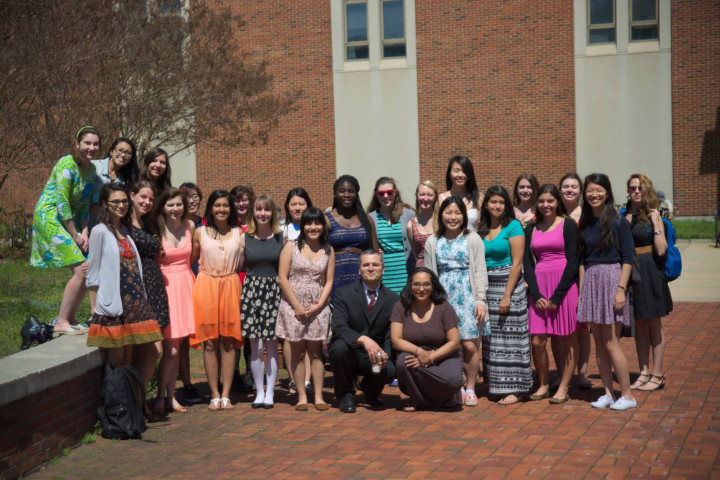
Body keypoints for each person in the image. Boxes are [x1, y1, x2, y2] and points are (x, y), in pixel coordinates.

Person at [30, 126, 100, 336]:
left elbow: (85, 205)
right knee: (81, 270)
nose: (92, 147)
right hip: (50, 216)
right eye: (87, 143)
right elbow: (62, 202)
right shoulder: (66, 163)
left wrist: (85, 232)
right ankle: (61, 321)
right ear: (77, 144)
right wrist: (75, 235)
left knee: (86, 269)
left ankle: (70, 318)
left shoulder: (91, 171)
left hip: (71, 222)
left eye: (96, 144)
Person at [86, 184, 163, 366]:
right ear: (105, 204)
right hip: (114, 303)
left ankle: (129, 394)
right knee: (117, 357)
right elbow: (93, 273)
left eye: (124, 201)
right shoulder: (99, 231)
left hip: (134, 303)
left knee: (132, 357)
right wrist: (94, 307)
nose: (121, 205)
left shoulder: (126, 230)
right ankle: (115, 393)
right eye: (115, 202)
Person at [578, 173, 636, 410]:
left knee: (612, 342)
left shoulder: (618, 221)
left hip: (612, 279)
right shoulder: (586, 221)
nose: (594, 194)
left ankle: (628, 395)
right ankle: (608, 393)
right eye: (590, 190)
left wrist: (621, 289)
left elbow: (628, 258)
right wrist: (583, 292)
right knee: (600, 342)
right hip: (592, 280)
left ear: (608, 193)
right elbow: (582, 259)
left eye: (599, 190)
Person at [424, 196, 487, 407]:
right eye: (448, 213)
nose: (453, 217)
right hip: (444, 299)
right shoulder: (433, 241)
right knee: (449, 345)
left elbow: (479, 270)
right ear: (441, 215)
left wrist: (481, 299)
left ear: (464, 215)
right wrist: (430, 302)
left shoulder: (473, 238)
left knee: (469, 345)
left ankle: (470, 387)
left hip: (468, 296)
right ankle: (455, 386)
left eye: (457, 212)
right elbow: (429, 275)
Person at [523, 184, 580, 404]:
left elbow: (573, 261)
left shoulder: (568, 225)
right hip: (539, 286)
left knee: (567, 338)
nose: (546, 205)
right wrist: (535, 293)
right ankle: (544, 383)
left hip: (563, 287)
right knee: (537, 341)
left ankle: (564, 386)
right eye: (542, 201)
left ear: (558, 202)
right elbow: (528, 263)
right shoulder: (531, 228)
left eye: (550, 201)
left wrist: (557, 297)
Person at [190, 190, 244, 411]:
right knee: (210, 341)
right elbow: (191, 261)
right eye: (217, 205)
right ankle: (214, 393)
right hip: (206, 285)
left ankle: (226, 394)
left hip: (230, 285)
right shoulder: (200, 231)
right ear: (210, 208)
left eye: (225, 205)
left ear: (231, 208)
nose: (222, 209)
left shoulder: (239, 232)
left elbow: (242, 262)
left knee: (229, 341)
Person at [276, 207, 335, 411]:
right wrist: (297, 306)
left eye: (317, 223)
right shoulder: (291, 247)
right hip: (293, 305)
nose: (313, 227)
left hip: (317, 306)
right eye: (309, 223)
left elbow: (329, 281)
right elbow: (282, 277)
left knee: (317, 352)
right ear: (303, 226)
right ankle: (301, 396)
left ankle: (318, 396)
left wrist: (320, 304)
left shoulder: (328, 249)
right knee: (298, 352)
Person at [478, 185, 532, 405]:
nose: (497, 206)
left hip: (509, 287)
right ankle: (497, 384)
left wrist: (507, 295)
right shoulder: (480, 228)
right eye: (493, 202)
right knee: (492, 339)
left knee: (511, 340)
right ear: (486, 205)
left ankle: (516, 389)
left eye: (501, 202)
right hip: (487, 287)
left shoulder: (513, 226)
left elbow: (517, 263)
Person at [329, 249, 399, 413]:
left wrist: (386, 353)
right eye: (366, 265)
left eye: (375, 264)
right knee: (338, 349)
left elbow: (391, 332)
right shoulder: (344, 293)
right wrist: (363, 340)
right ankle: (346, 395)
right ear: (359, 270)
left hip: (374, 357)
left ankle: (369, 389)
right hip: (350, 351)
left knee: (388, 369)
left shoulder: (393, 299)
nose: (371, 268)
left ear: (383, 269)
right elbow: (338, 327)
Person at [624, 174, 672, 392]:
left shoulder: (654, 214)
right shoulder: (624, 215)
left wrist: (656, 224)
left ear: (647, 190)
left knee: (653, 324)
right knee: (639, 324)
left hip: (651, 270)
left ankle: (658, 373)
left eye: (640, 188)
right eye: (632, 188)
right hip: (632, 271)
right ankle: (643, 371)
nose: (636, 191)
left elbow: (661, 249)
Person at [390, 268, 463, 411]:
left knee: (453, 380)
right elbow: (396, 340)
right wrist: (418, 351)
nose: (421, 289)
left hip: (443, 355)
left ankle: (447, 394)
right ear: (410, 286)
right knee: (403, 363)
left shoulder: (444, 307)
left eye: (426, 284)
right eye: (416, 284)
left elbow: (454, 342)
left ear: (433, 286)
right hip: (414, 354)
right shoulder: (401, 306)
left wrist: (431, 357)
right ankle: (416, 398)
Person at [153, 188, 196, 414]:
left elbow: (195, 256)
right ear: (162, 206)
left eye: (179, 204)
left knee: (176, 345)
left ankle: (170, 396)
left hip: (186, 284)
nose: (175, 209)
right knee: (169, 347)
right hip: (165, 287)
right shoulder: (156, 228)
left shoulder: (190, 226)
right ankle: (161, 395)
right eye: (170, 204)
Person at [240, 194, 285, 408]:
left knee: (272, 345)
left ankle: (271, 392)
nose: (262, 214)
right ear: (253, 213)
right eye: (258, 210)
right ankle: (259, 391)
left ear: (272, 213)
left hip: (273, 291)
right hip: (251, 292)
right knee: (255, 344)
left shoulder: (281, 237)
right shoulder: (245, 237)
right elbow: (237, 264)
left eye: (267, 210)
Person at [128, 181, 167, 416]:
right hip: (137, 290)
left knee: (151, 351)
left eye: (151, 199)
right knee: (151, 350)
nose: (147, 202)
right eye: (143, 197)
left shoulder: (147, 224)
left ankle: (139, 402)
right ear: (131, 195)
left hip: (154, 289)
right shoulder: (123, 226)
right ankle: (135, 402)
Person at [559, 172, 591, 390]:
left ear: (580, 191)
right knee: (563, 327)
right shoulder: (554, 212)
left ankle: (582, 373)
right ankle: (563, 373)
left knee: (582, 327)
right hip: (562, 274)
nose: (569, 190)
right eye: (565, 187)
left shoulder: (587, 214)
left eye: (574, 187)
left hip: (585, 271)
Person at [280, 187, 314, 394]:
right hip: (291, 288)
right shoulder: (284, 230)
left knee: (309, 334)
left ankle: (308, 379)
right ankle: (293, 379)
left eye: (301, 203)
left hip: (311, 288)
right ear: (287, 207)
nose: (298, 207)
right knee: (289, 335)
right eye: (293, 204)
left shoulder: (316, 227)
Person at [326, 175, 378, 298]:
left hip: (363, 277)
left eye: (351, 191)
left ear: (356, 194)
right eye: (342, 191)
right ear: (335, 194)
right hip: (335, 278)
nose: (347, 195)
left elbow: (375, 253)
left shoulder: (366, 219)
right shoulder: (326, 219)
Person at [177, 181, 204, 404]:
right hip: (184, 282)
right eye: (188, 196)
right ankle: (186, 383)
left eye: (196, 196)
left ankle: (223, 379)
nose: (193, 200)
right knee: (184, 337)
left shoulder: (208, 223)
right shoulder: (176, 224)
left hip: (204, 281)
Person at [367, 177, 415, 293]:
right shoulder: (371, 217)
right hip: (385, 271)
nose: (385, 196)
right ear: (376, 195)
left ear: (395, 193)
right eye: (381, 193)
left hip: (405, 268)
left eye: (390, 192)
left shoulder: (408, 214)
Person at [229, 184, 256, 391]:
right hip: (232, 280)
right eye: (237, 200)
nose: (241, 203)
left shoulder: (257, 225)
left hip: (252, 280)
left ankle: (250, 371)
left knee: (250, 330)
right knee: (233, 328)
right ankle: (233, 372)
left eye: (245, 199)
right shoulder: (229, 226)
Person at [439, 155, 481, 231]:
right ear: (449, 173)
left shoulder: (478, 197)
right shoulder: (440, 199)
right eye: (456, 170)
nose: (460, 175)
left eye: (464, 171)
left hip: (473, 241)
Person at [407, 180, 439, 268]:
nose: (425, 199)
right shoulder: (411, 225)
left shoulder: (442, 221)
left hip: (441, 269)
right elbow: (416, 254)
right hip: (422, 272)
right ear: (416, 195)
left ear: (435, 197)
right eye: (422, 194)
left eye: (430, 195)